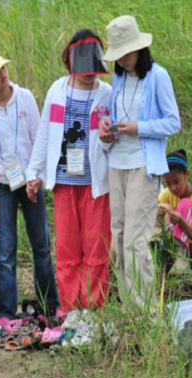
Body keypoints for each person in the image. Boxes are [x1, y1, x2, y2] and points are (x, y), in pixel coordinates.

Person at [0, 48, 60, 324]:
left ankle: (50, 306)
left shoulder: (25, 99)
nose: (2, 74)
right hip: (2, 184)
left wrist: (38, 177)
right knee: (5, 250)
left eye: (2, 68)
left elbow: (39, 139)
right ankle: (6, 314)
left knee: (42, 245)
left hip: (30, 179)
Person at [26, 30, 112, 312]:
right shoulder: (57, 91)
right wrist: (34, 174)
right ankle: (72, 311)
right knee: (67, 250)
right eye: (84, 71)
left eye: (94, 71)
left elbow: (116, 139)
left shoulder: (107, 94)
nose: (90, 76)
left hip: (95, 184)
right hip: (63, 183)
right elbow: (44, 136)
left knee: (96, 249)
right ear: (71, 64)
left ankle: (94, 311)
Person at [98, 15, 180, 310]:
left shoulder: (158, 76)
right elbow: (113, 116)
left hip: (144, 165)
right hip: (116, 162)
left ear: (139, 49)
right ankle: (128, 308)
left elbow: (172, 122)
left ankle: (146, 314)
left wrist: (139, 127)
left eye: (125, 55)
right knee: (119, 237)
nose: (121, 61)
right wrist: (107, 129)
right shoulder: (118, 78)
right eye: (117, 56)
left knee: (136, 239)